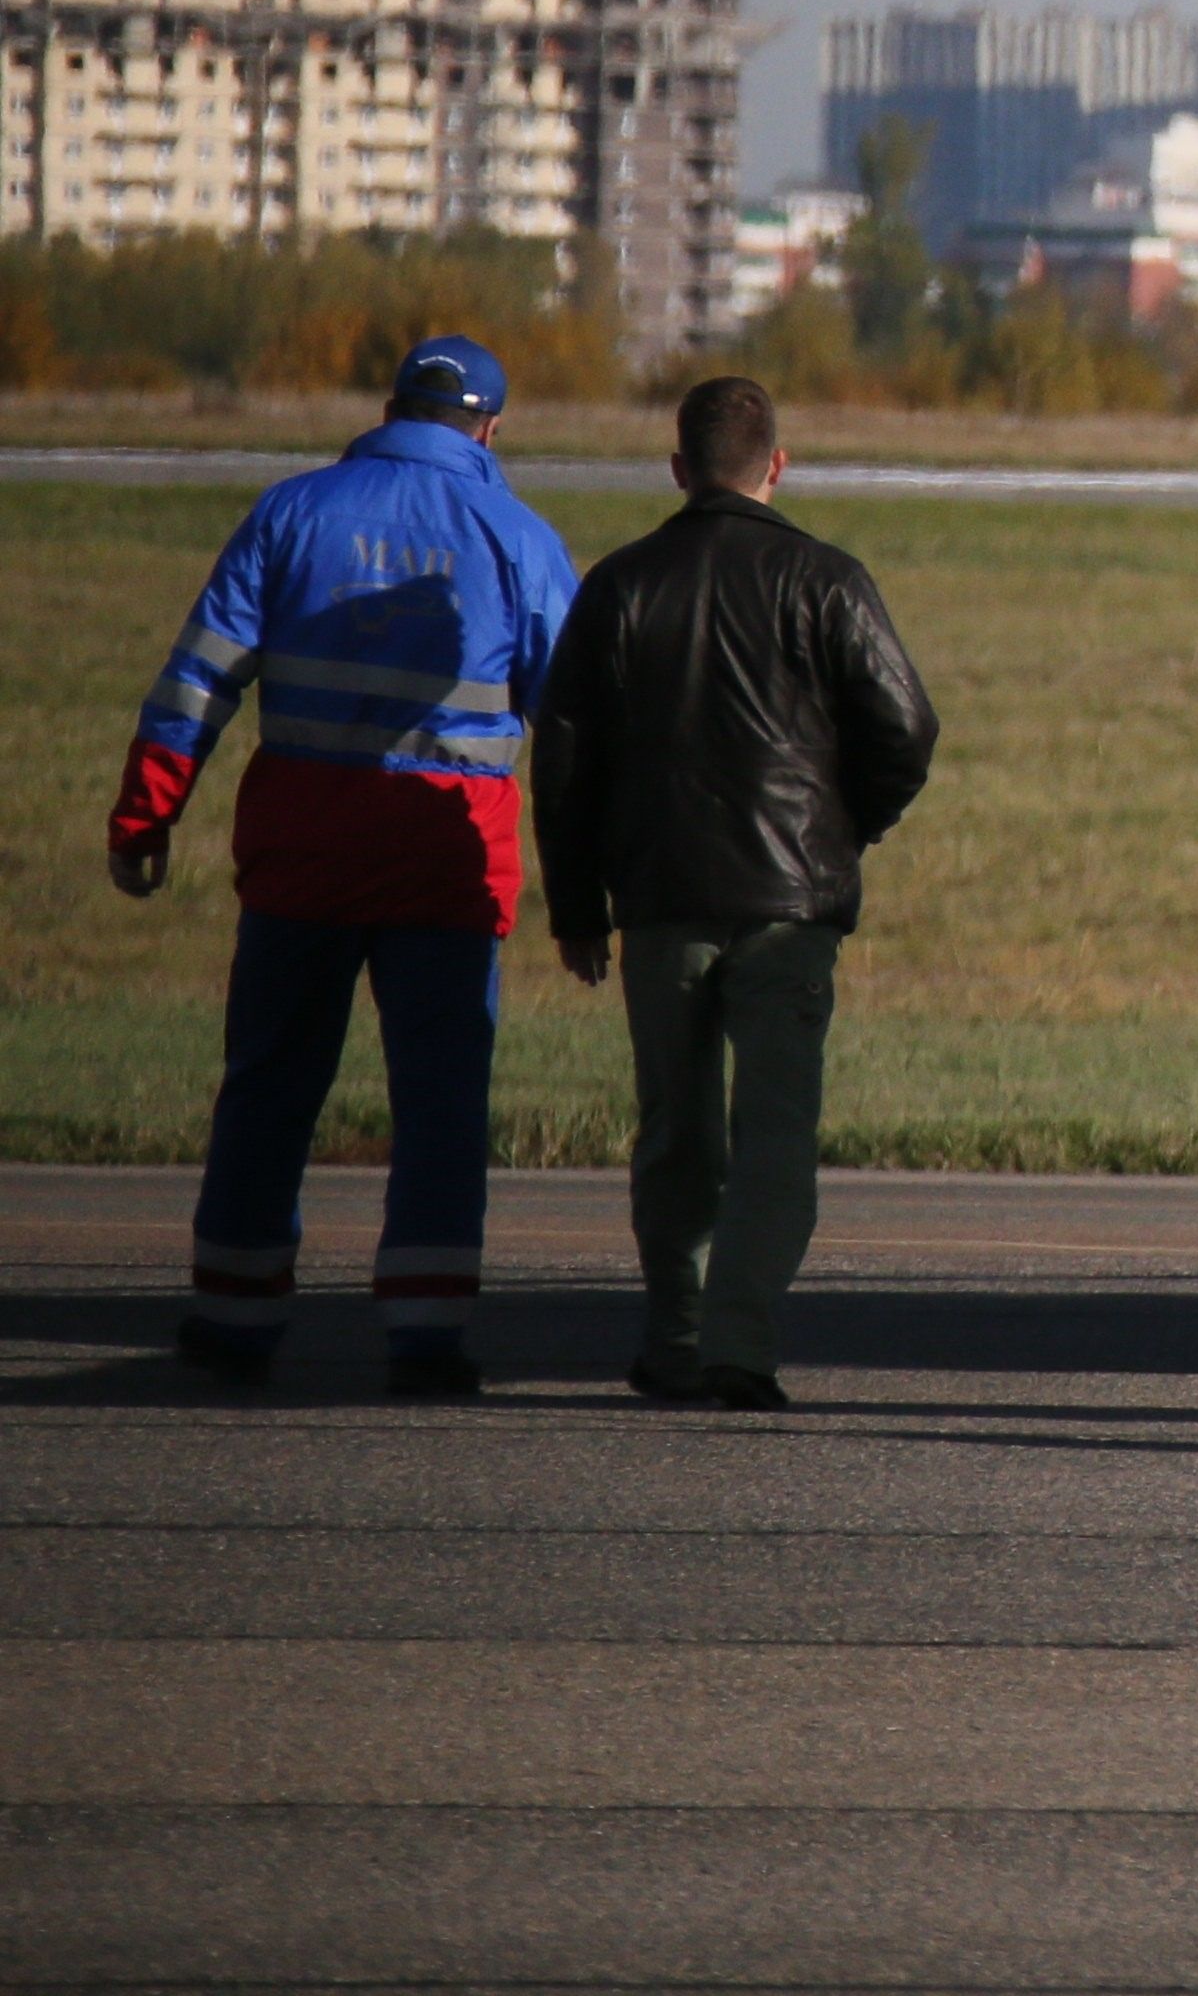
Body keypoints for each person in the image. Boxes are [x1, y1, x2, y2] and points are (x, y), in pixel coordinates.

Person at [106, 334, 577, 1396]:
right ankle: (426, 1329)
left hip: (302, 857)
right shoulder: (518, 536)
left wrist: (143, 819)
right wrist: (595, 874)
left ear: (390, 405)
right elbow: (580, 723)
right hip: (444, 863)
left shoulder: (291, 514)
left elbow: (195, 685)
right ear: (489, 430)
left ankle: (233, 1314)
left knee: (270, 1085)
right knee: (442, 1100)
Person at [535, 376, 939, 1412]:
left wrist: (577, 905)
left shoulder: (620, 585)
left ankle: (672, 1336)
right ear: (779, 465)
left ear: (678, 470)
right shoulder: (828, 578)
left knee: (675, 1133)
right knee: (774, 1138)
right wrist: (849, 828)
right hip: (790, 909)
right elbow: (906, 726)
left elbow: (565, 758)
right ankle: (738, 1345)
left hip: (659, 901)